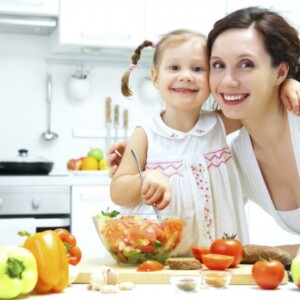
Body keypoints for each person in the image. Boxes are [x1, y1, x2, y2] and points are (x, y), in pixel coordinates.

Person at [110, 29, 249, 256]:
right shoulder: (146, 133)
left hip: (219, 258)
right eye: (174, 68)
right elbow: (117, 191)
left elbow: (262, 103)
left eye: (197, 69)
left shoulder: (222, 123)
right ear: (155, 78)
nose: (186, 76)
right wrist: (145, 178)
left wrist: (290, 84)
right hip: (160, 258)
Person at [206, 6, 300, 257]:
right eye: (218, 65)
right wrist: (144, 152)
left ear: (280, 72)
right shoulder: (237, 158)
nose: (227, 81)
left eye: (246, 64)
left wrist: (264, 253)